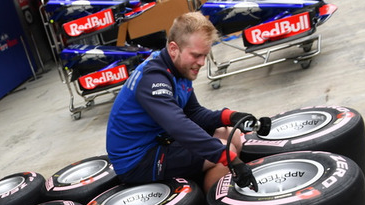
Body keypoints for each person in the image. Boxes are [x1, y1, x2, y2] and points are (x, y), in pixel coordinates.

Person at [106, 11, 263, 192]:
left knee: (232, 135)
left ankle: (210, 178)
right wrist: (230, 159)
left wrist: (231, 117)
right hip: (137, 161)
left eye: (205, 55)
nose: (202, 62)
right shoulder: (154, 79)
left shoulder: (180, 67)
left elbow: (193, 113)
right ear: (174, 49)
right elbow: (179, 126)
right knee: (222, 154)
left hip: (160, 141)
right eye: (196, 55)